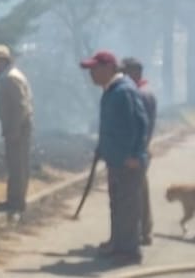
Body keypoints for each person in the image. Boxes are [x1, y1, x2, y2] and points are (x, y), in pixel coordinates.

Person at [80, 49, 149, 266]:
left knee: (127, 205)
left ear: (109, 68)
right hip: (116, 159)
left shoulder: (123, 91)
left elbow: (139, 125)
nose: (91, 74)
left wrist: (134, 154)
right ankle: (118, 243)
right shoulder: (112, 90)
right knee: (117, 203)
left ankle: (129, 251)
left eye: (95, 69)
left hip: (127, 161)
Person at [0, 44, 33, 219]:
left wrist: (13, 130)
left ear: (2, 61)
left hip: (18, 128)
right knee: (16, 164)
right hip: (17, 127)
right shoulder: (9, 77)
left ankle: (16, 203)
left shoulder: (10, 78)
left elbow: (21, 106)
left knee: (17, 165)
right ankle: (14, 200)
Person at [121, 56, 157, 246]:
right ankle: (145, 231)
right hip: (143, 149)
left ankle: (136, 234)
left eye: (124, 72)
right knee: (141, 191)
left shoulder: (138, 94)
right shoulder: (146, 92)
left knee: (134, 194)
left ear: (134, 73)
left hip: (136, 151)